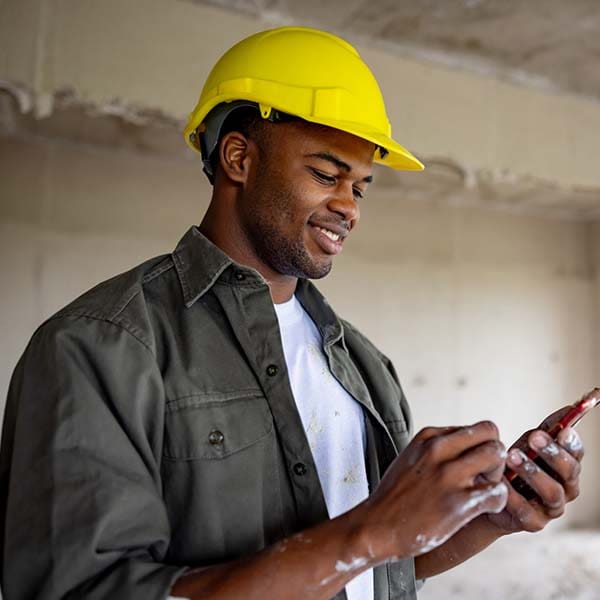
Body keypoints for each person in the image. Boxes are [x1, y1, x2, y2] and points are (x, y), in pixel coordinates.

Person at [0, 26, 584, 600]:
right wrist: (372, 528)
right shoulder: (99, 347)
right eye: (326, 174)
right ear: (238, 158)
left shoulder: (359, 362)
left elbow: (381, 567)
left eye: (359, 187)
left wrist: (493, 515)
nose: (347, 207)